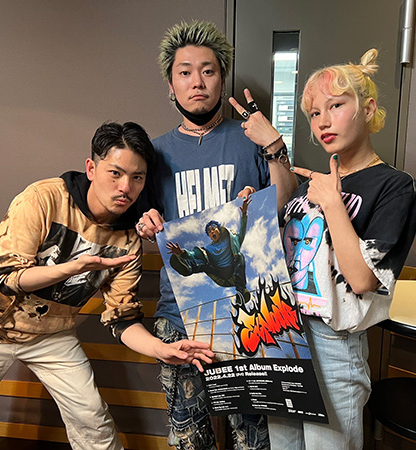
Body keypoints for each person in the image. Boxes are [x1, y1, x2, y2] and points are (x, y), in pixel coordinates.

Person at [0, 122, 214, 450]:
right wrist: (71, 268)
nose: (125, 187)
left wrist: (159, 349)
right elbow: (7, 278)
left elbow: (122, 317)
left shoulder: (128, 239)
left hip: (49, 333)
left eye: (137, 178)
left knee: (93, 421)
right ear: (91, 168)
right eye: (115, 173)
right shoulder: (44, 198)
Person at [136, 20, 297, 450]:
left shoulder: (249, 139)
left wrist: (274, 145)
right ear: (171, 85)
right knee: (189, 438)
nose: (197, 82)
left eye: (208, 71)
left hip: (250, 312)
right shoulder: (155, 152)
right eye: (185, 72)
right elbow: (142, 217)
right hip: (179, 316)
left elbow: (283, 201)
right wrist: (145, 224)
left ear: (221, 79)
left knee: (254, 438)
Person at [269, 49, 416, 449]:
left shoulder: (394, 186)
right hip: (284, 333)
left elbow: (361, 280)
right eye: (314, 113)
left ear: (367, 109)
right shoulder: (312, 185)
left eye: (336, 106)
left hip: (334, 342)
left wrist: (333, 205)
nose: (323, 121)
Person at [167, 197, 252, 307]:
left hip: (233, 273)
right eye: (209, 232)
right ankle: (188, 268)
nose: (212, 232)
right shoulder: (208, 249)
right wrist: (181, 253)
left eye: (213, 229)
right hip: (219, 273)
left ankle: (241, 291)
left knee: (239, 256)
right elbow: (193, 255)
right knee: (204, 263)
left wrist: (244, 214)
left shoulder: (232, 239)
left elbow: (243, 230)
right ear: (210, 236)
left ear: (219, 229)